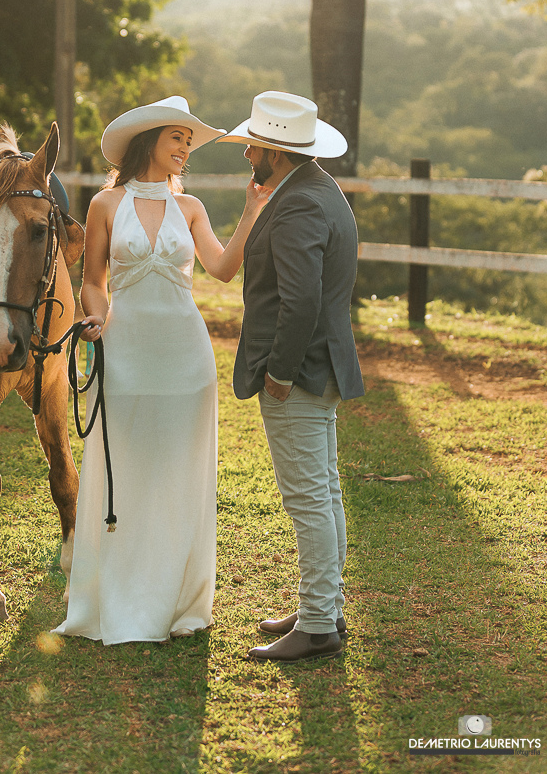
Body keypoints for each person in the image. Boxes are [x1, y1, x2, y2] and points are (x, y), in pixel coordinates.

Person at [54, 95, 270, 644]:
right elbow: (93, 281)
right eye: (178, 138)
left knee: (178, 474)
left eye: (188, 142)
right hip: (124, 352)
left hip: (185, 358)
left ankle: (176, 601)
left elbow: (222, 268)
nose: (185, 150)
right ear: (150, 140)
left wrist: (249, 212)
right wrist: (95, 318)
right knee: (125, 469)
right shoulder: (105, 204)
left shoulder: (191, 207)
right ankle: (118, 593)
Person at [216, 90, 364, 663]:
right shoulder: (318, 189)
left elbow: (300, 302)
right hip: (323, 364)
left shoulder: (298, 204)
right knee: (324, 491)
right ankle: (323, 607)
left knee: (308, 499)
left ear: (275, 153)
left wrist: (278, 372)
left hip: (299, 372)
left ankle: (319, 624)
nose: (247, 153)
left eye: (254, 145)